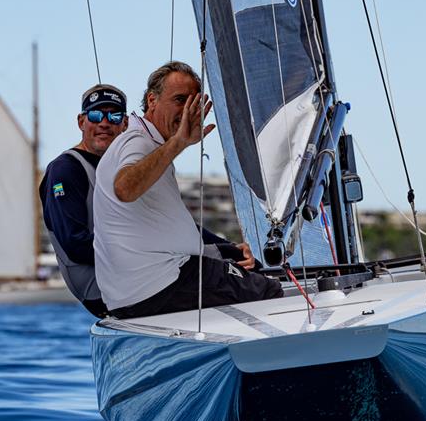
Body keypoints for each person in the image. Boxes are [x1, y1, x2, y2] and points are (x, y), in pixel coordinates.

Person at [93, 61, 283, 319]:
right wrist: (179, 143)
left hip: (139, 292)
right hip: (161, 284)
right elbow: (124, 188)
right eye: (179, 99)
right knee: (269, 290)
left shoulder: (146, 141)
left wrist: (226, 251)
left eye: (192, 102)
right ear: (152, 100)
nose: (186, 110)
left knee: (247, 272)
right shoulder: (138, 142)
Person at [39, 84, 128, 317]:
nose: (104, 123)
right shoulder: (64, 170)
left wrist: (229, 248)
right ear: (81, 121)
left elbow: (170, 223)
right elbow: (75, 245)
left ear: (125, 124)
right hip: (100, 291)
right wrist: (148, 251)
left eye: (114, 115)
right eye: (96, 115)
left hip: (134, 277)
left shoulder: (127, 171)